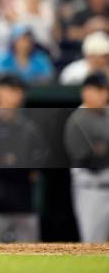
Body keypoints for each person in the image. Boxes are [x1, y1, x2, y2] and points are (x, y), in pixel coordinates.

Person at [0, 74, 44, 243]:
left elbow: (37, 166)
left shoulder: (29, 128)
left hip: (24, 207)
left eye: (19, 91)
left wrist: (12, 163)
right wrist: (17, 166)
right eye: (11, 90)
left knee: (30, 265)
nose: (16, 95)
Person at [64, 72, 109, 243]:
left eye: (105, 90)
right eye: (98, 90)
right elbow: (88, 160)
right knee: (93, 245)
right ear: (86, 92)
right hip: (91, 190)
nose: (103, 94)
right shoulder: (78, 120)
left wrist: (103, 148)